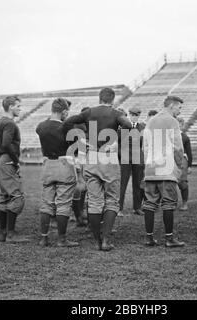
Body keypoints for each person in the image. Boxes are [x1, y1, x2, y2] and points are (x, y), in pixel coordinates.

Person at [63, 88, 132, 251]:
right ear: (112, 100)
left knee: (94, 201)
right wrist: (117, 139)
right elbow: (128, 124)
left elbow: (67, 122)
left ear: (99, 98)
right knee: (112, 200)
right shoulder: (115, 113)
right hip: (108, 156)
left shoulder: (88, 112)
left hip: (91, 157)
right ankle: (106, 239)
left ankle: (96, 240)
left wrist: (83, 138)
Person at [142, 96, 186, 248]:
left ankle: (149, 238)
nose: (180, 111)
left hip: (150, 168)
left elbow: (145, 147)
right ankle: (169, 239)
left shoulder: (151, 121)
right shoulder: (172, 121)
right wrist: (179, 165)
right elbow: (178, 147)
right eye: (179, 107)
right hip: (166, 167)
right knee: (168, 202)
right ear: (172, 106)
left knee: (149, 203)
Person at [36, 98, 79, 247]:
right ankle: (62, 239)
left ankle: (44, 238)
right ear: (65, 112)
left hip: (48, 165)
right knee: (64, 204)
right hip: (64, 164)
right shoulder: (68, 128)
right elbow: (76, 149)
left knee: (46, 204)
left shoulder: (40, 126)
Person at [0, 96, 27, 243]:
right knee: (16, 197)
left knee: (4, 197)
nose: (20, 109)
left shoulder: (1, 121)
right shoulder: (10, 124)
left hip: (0, 160)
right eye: (18, 106)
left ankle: (3, 233)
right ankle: (11, 234)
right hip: (7, 161)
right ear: (11, 107)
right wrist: (16, 160)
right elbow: (6, 144)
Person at [118, 106, 146, 216]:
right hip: (125, 157)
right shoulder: (124, 126)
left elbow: (142, 144)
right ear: (129, 115)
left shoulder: (142, 127)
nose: (134, 117)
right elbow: (118, 143)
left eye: (136, 115)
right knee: (122, 183)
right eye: (132, 115)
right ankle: (119, 208)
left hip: (137, 158)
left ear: (139, 116)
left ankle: (137, 207)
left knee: (138, 183)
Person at [176, 117, 192, 211]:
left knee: (182, 182)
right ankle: (172, 202)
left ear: (182, 125)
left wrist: (189, 165)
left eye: (179, 124)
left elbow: (189, 152)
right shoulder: (170, 136)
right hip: (172, 161)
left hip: (182, 161)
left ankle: (185, 203)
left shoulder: (185, 137)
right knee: (171, 182)